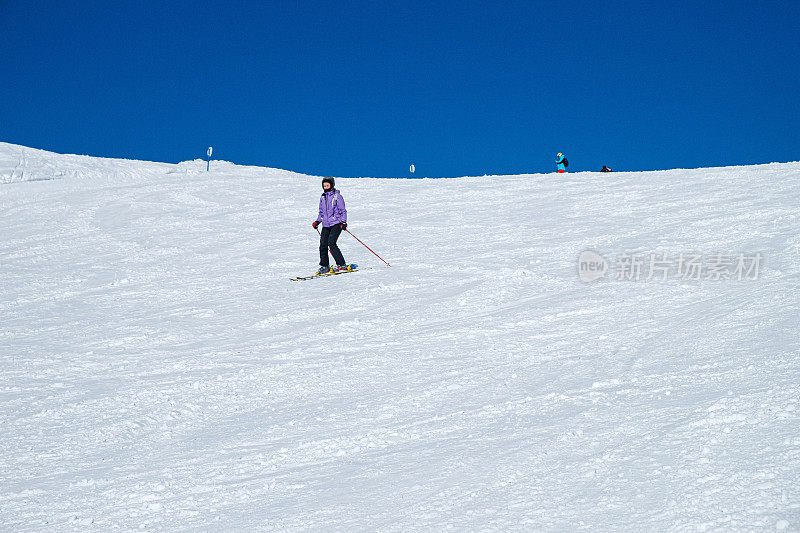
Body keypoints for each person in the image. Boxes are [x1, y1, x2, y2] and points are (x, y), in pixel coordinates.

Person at [312, 177, 348, 274]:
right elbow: (321, 212)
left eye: (328, 185)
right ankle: (325, 266)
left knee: (331, 243)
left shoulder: (337, 196)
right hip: (326, 225)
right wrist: (317, 221)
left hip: (336, 223)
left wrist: (343, 222)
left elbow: (343, 210)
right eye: (324, 186)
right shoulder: (323, 197)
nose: (326, 187)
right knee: (323, 244)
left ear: (332, 185)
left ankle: (341, 265)